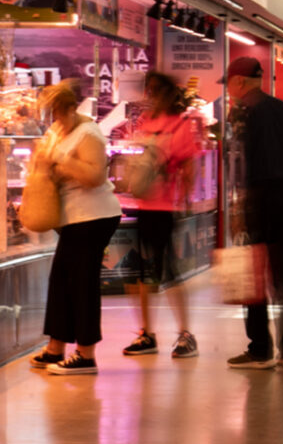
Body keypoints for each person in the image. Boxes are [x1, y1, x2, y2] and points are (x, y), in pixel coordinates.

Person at [223, 56, 283, 368]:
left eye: (230, 84)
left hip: (254, 197)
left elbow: (236, 161)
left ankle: (260, 347)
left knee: (253, 269)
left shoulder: (242, 112)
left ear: (239, 82)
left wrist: (237, 205)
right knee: (282, 269)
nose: (230, 91)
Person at [29, 81, 122, 375]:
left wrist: (59, 163)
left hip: (94, 217)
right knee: (61, 281)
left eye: (57, 112)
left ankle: (86, 354)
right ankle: (56, 346)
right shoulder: (58, 130)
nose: (54, 118)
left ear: (71, 107)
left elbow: (95, 176)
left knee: (82, 283)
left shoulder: (88, 133)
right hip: (72, 218)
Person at [122, 72, 201, 359]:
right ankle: (147, 333)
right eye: (149, 90)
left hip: (164, 209)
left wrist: (184, 200)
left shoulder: (179, 127)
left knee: (168, 273)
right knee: (141, 274)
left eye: (155, 91)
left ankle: (185, 333)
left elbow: (189, 168)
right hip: (142, 206)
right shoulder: (148, 123)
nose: (151, 96)